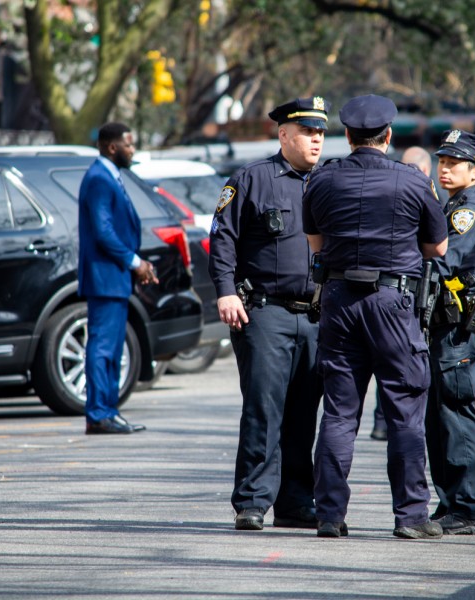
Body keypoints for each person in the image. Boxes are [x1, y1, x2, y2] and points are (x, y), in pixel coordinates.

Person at [303, 95, 449, 539]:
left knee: (339, 413)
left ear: (346, 136)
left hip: (339, 300)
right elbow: (437, 248)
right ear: (388, 136)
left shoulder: (322, 180)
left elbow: (314, 245)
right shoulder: (412, 181)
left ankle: (329, 515)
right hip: (393, 302)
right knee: (404, 410)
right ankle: (410, 516)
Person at [209, 96, 328, 531]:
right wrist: (225, 291)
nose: (316, 140)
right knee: (264, 409)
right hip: (266, 312)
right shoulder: (252, 179)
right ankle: (253, 502)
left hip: (315, 316)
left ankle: (296, 502)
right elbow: (222, 238)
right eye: (307, 133)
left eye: (321, 133)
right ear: (284, 135)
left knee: (303, 412)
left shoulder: (329, 181)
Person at [424, 129, 475, 536]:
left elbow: (444, 260)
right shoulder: (452, 206)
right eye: (442, 162)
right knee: (439, 417)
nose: (445, 169)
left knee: (455, 413)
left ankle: (469, 507)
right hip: (445, 326)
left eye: (454, 164)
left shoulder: (468, 211)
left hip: (459, 328)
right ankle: (451, 501)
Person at [78, 122, 157, 434]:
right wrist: (135, 262)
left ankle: (108, 411)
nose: (132, 149)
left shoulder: (109, 176)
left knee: (110, 349)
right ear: (112, 147)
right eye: (129, 144)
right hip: (104, 278)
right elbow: (103, 231)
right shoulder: (99, 178)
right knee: (102, 348)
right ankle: (99, 414)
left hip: (113, 278)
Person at [368, 146, 436, 443]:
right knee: (400, 366)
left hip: (378, 290)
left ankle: (382, 422)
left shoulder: (382, 188)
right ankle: (394, 424)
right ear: (426, 171)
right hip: (405, 292)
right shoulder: (426, 193)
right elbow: (438, 247)